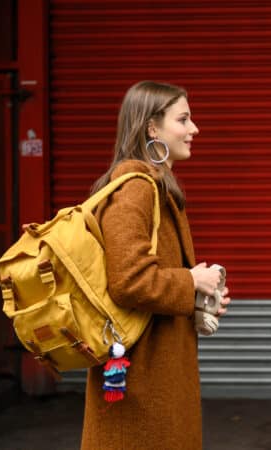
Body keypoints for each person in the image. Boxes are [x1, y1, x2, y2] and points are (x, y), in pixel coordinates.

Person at [81, 80, 231, 449]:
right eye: (183, 119)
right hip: (141, 382)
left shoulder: (158, 187)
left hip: (156, 375)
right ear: (152, 127)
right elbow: (128, 281)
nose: (194, 129)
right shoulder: (136, 190)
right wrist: (190, 281)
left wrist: (197, 297)